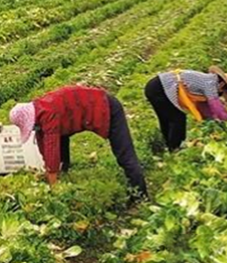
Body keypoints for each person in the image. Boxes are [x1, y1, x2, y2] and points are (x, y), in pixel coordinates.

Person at [9, 85, 148, 199]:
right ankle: (64, 171)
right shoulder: (39, 109)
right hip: (82, 112)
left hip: (106, 107)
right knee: (60, 140)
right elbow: (43, 140)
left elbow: (51, 146)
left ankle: (140, 195)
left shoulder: (48, 113)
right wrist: (47, 166)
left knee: (124, 155)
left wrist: (53, 183)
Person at [145, 66, 227, 152]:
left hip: (154, 86)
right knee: (177, 118)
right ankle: (175, 148)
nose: (220, 94)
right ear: (222, 85)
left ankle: (168, 146)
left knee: (167, 119)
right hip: (159, 88)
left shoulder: (207, 80)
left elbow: (204, 107)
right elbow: (216, 106)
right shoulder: (210, 84)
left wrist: (212, 119)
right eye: (222, 92)